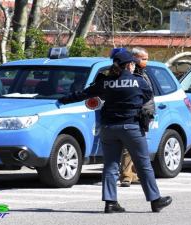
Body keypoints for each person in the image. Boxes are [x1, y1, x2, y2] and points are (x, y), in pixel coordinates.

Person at [58, 51, 172, 213]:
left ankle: (110, 203)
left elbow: (83, 94)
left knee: (110, 165)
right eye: (133, 63)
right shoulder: (138, 81)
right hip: (131, 128)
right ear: (129, 65)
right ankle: (155, 200)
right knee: (143, 164)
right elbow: (147, 96)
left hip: (109, 129)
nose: (134, 66)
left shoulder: (105, 82)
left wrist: (62, 100)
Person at [120, 47, 154, 188]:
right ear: (134, 58)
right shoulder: (130, 74)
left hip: (144, 113)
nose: (146, 61)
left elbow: (149, 95)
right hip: (134, 113)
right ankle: (126, 176)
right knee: (129, 146)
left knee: (139, 146)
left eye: (146, 58)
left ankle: (133, 174)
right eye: (143, 58)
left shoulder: (143, 73)